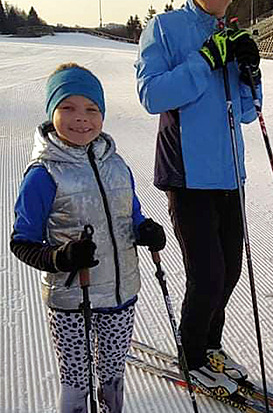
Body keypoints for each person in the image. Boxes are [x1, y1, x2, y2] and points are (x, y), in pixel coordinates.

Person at [135, 0, 262, 391]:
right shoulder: (165, 28)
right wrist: (205, 60)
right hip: (186, 173)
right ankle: (192, 356)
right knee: (206, 274)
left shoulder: (231, 32)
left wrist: (251, 73)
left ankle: (210, 345)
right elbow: (152, 95)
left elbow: (247, 112)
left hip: (229, 172)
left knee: (228, 271)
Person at [11, 63, 167, 413]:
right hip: (71, 300)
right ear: (51, 112)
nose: (81, 118)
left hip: (121, 293)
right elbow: (22, 242)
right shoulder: (43, 174)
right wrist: (59, 257)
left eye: (91, 109)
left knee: (113, 373)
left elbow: (131, 215)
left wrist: (145, 230)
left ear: (102, 115)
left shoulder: (117, 165)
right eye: (68, 107)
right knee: (76, 380)